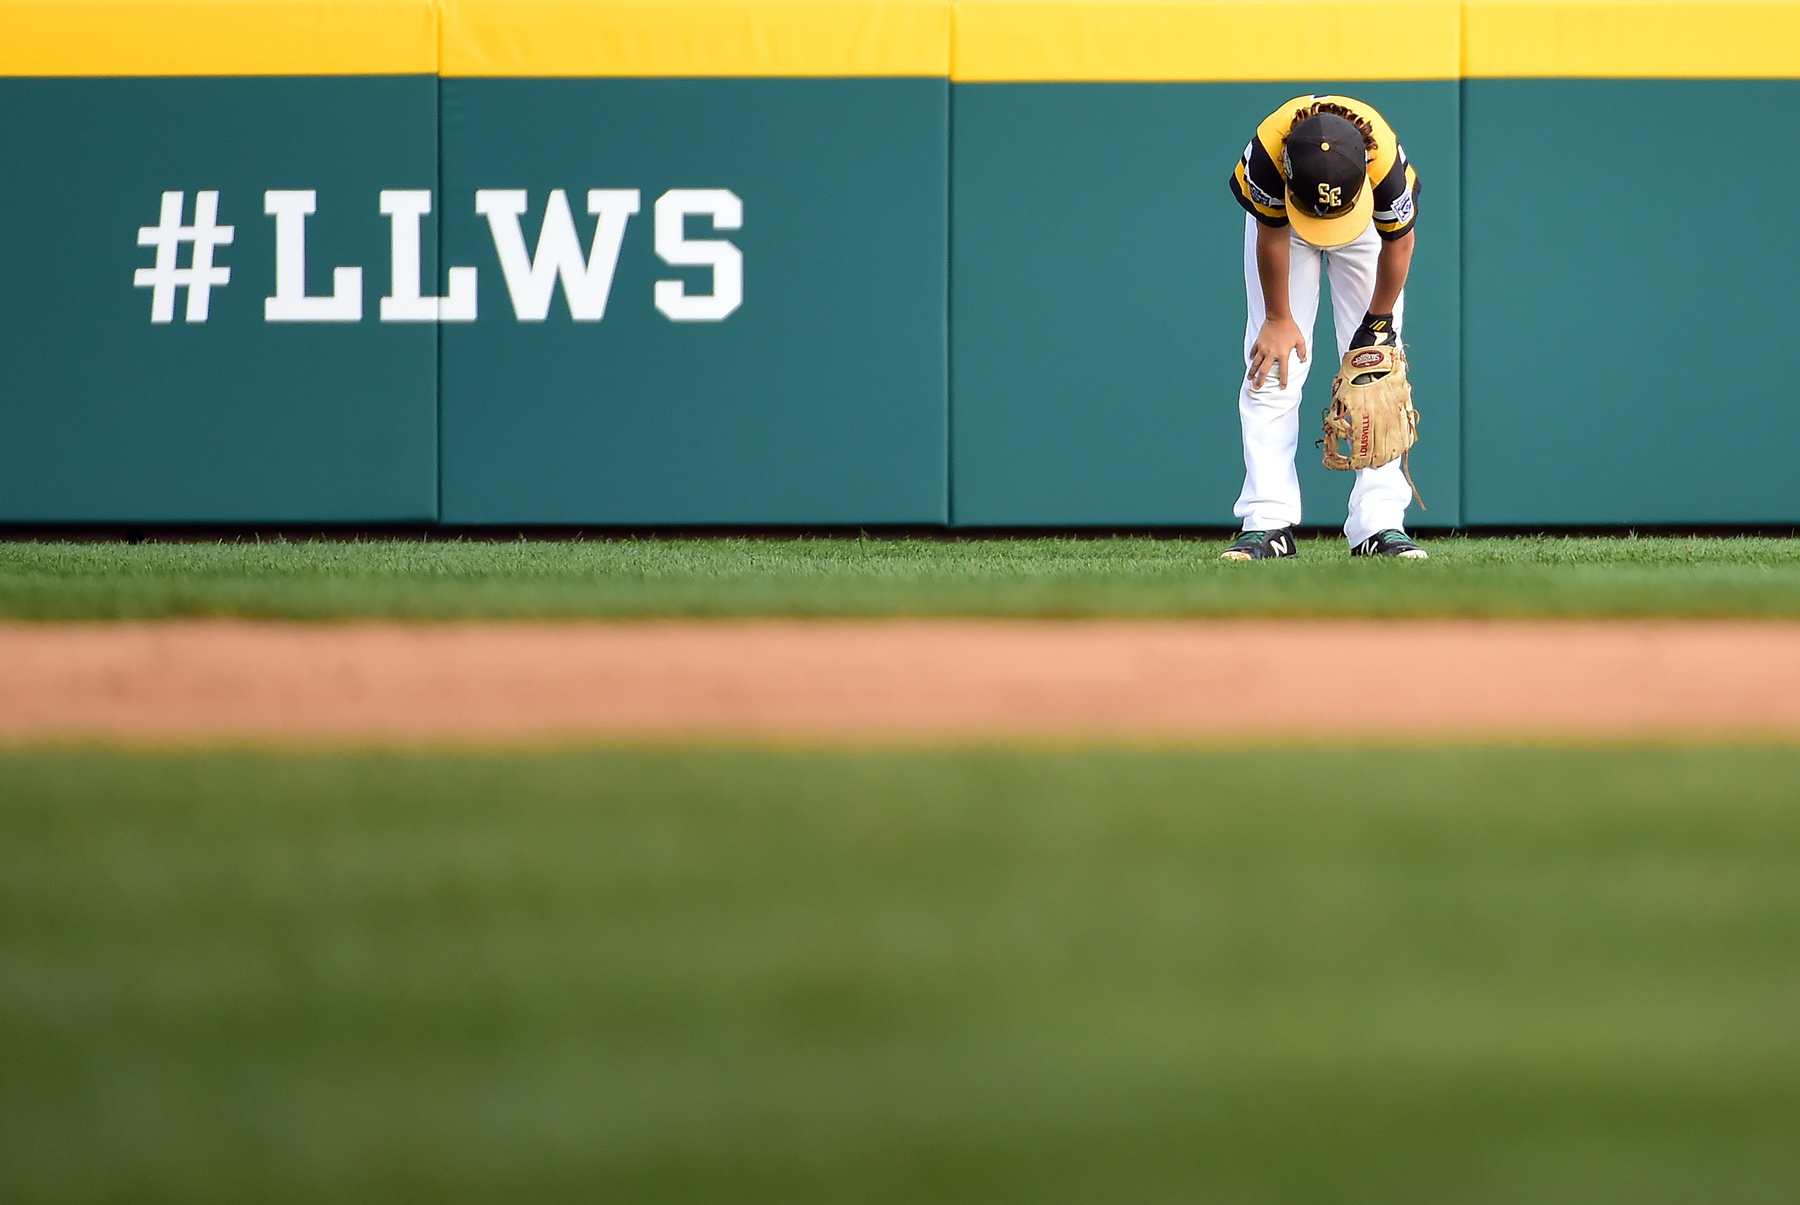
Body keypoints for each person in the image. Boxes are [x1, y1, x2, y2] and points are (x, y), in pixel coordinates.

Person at [1220, 95, 1427, 560]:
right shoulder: (1270, 152)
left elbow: (1399, 243)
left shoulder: (1384, 163)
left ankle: (1379, 524)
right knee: (1271, 366)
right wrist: (1277, 318)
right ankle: (1266, 523)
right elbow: (1270, 230)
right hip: (1285, 230)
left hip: (1363, 226)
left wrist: (1378, 324)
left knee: (1377, 372)